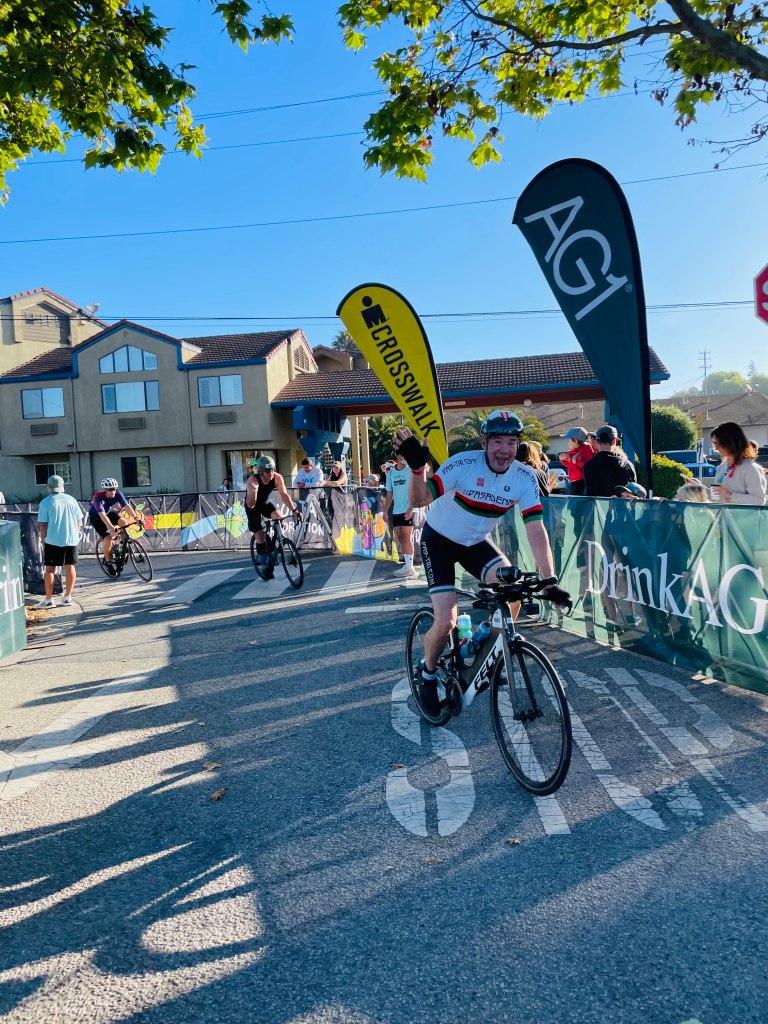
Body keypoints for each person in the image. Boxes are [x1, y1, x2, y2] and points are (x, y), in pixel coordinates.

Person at [394, 410, 571, 718]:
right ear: (483, 442)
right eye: (497, 441)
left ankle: (483, 642)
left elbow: (535, 529)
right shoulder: (462, 465)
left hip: (476, 543)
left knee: (513, 593)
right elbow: (419, 500)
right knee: (446, 620)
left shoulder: (524, 477)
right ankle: (428, 673)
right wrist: (417, 469)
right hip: (439, 541)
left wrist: (550, 581)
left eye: (512, 442)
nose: (504, 449)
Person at [245, 455, 303, 579]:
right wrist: (253, 494)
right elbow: (251, 504)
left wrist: (294, 511)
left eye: (272, 469)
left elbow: (284, 495)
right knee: (259, 535)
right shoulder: (253, 480)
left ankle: (277, 545)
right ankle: (263, 563)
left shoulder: (277, 477)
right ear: (261, 471)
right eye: (267, 471)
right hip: (253, 507)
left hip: (265, 503)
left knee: (280, 517)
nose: (271, 473)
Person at [34, 475, 83, 608]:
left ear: (48, 487)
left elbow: (43, 524)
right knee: (70, 566)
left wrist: (42, 539)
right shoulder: (71, 500)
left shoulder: (45, 502)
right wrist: (75, 531)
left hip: (53, 539)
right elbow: (79, 521)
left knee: (50, 569)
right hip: (71, 538)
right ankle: (67, 597)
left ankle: (49, 600)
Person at [88, 477, 143, 574]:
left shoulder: (118, 494)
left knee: (123, 522)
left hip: (108, 513)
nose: (112, 492)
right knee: (108, 538)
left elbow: (126, 506)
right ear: (104, 490)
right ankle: (108, 562)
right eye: (110, 490)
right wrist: (111, 528)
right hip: (97, 517)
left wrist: (136, 518)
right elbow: (102, 515)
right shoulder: (98, 497)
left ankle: (124, 544)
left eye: (114, 489)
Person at [710, 421, 768, 506]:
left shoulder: (750, 468)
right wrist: (698, 488)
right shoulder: (722, 467)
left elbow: (759, 500)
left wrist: (730, 496)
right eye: (714, 444)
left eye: (718, 444)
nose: (716, 448)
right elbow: (716, 497)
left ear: (731, 443)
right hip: (722, 515)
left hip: (744, 515)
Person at [384, 451, 417, 579]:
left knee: (407, 537)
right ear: (398, 456)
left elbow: (417, 490)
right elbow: (389, 494)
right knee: (400, 537)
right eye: (403, 454)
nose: (405, 457)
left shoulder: (411, 471)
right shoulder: (391, 473)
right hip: (396, 510)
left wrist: (411, 508)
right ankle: (407, 565)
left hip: (408, 509)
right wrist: (385, 511)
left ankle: (410, 567)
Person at [583, 424, 637, 497]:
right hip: (621, 504)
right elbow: (634, 492)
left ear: (596, 441)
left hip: (598, 504)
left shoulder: (588, 466)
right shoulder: (627, 465)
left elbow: (590, 496)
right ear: (614, 440)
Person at [560, 427, 594, 495]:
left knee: (577, 501)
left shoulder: (586, 449)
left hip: (581, 483)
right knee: (573, 500)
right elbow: (571, 465)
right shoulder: (574, 451)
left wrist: (576, 461)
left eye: (569, 440)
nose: (568, 443)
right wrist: (562, 459)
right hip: (574, 482)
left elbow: (588, 466)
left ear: (575, 441)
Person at [320, 459, 347, 523]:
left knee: (340, 514)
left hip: (341, 497)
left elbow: (338, 483)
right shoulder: (332, 475)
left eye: (337, 467)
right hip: (332, 497)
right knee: (331, 511)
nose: (335, 468)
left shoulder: (343, 475)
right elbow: (326, 483)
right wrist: (321, 483)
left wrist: (326, 482)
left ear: (340, 468)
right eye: (334, 467)